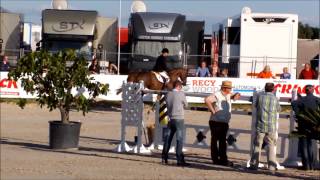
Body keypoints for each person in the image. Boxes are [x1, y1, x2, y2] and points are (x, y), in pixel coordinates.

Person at [205, 81, 240, 166]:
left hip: (223, 122)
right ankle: (219, 159)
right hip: (216, 121)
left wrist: (237, 94)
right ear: (224, 88)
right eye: (229, 88)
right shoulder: (217, 94)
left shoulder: (227, 94)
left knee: (221, 141)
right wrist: (213, 111)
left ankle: (220, 159)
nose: (230, 89)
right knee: (216, 141)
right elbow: (207, 100)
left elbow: (234, 95)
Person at [249, 83, 281, 171]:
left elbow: (255, 106)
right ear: (273, 89)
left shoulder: (260, 97)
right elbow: (279, 109)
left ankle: (254, 164)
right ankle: (271, 166)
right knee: (271, 145)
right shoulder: (275, 98)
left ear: (265, 89)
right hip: (271, 126)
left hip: (260, 125)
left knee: (257, 145)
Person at [291, 85, 320, 170]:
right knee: (310, 144)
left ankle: (306, 165)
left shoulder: (302, 100)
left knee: (304, 145)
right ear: (313, 90)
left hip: (303, 124)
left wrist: (298, 113)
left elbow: (293, 103)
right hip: (314, 125)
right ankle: (311, 165)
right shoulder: (317, 99)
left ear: (305, 91)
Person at [162, 80, 189, 166]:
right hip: (179, 118)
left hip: (170, 118)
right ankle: (179, 159)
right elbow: (186, 105)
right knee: (179, 139)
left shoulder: (168, 94)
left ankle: (164, 157)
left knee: (168, 139)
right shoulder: (181, 94)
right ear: (179, 86)